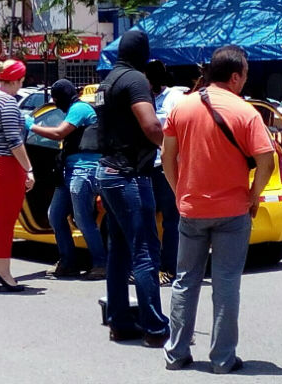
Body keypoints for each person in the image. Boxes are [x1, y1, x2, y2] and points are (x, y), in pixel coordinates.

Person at [162, 45, 274, 373]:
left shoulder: (182, 107)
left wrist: (179, 190)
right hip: (233, 210)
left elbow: (168, 157)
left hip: (192, 208)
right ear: (236, 76)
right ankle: (223, 359)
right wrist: (254, 196)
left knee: (185, 280)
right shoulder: (246, 112)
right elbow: (266, 161)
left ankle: (176, 353)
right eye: (246, 75)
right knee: (226, 283)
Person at [94, 30, 170, 348]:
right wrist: (171, 147)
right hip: (129, 174)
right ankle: (154, 327)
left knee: (120, 252)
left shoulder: (107, 82)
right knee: (145, 252)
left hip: (107, 172)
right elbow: (150, 125)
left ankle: (120, 321)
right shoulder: (136, 80)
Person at [26, 79, 107, 280]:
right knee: (55, 215)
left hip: (84, 170)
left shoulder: (79, 108)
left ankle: (100, 263)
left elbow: (58, 132)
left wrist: (31, 126)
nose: (56, 102)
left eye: (56, 99)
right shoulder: (74, 109)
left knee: (82, 219)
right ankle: (68, 261)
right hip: (70, 171)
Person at [0, 59, 35, 293]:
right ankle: (4, 273)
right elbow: (14, 141)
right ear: (17, 80)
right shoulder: (8, 103)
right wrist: (28, 169)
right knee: (6, 222)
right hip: (5, 166)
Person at [144, 60, 181, 285]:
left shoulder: (174, 99)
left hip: (167, 166)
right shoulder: (142, 98)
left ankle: (169, 268)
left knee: (171, 221)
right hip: (146, 166)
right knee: (145, 219)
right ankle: (149, 265)